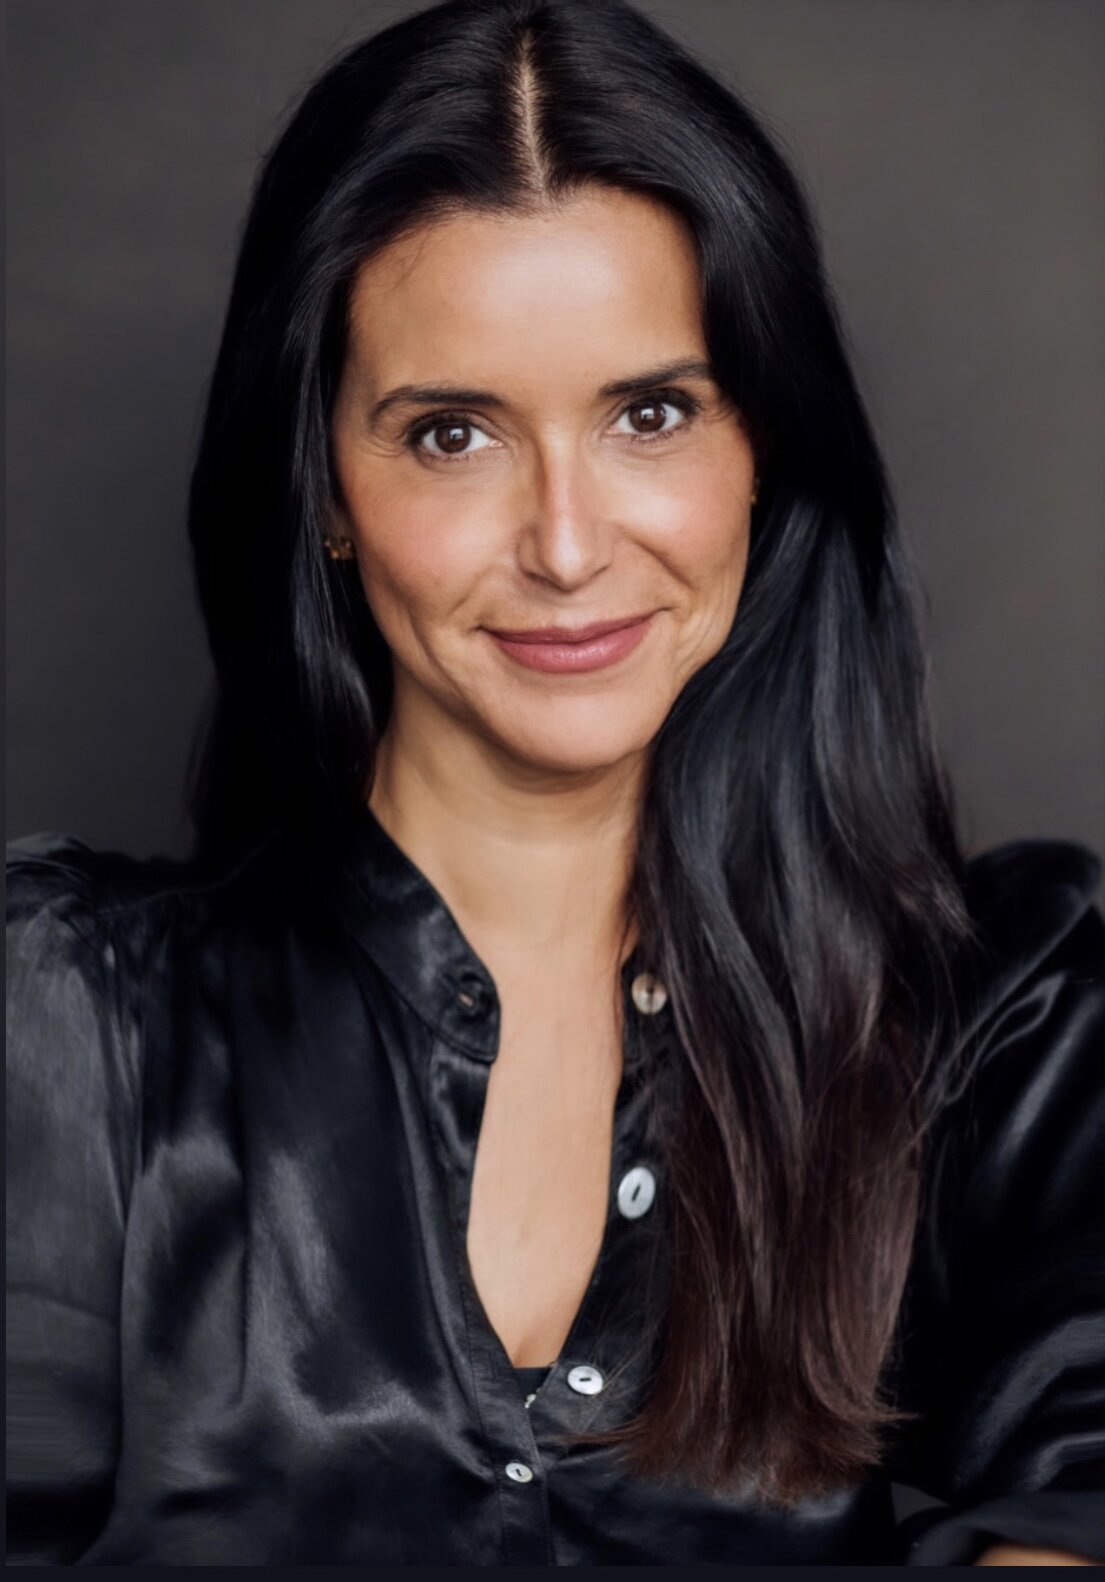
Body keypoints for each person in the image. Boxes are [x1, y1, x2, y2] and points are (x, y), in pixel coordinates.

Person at [6, 0, 1103, 1566]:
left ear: (762, 448)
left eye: (650, 414)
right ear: (323, 489)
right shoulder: (65, 1032)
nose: (569, 546)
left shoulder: (989, 1029)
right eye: (452, 434)